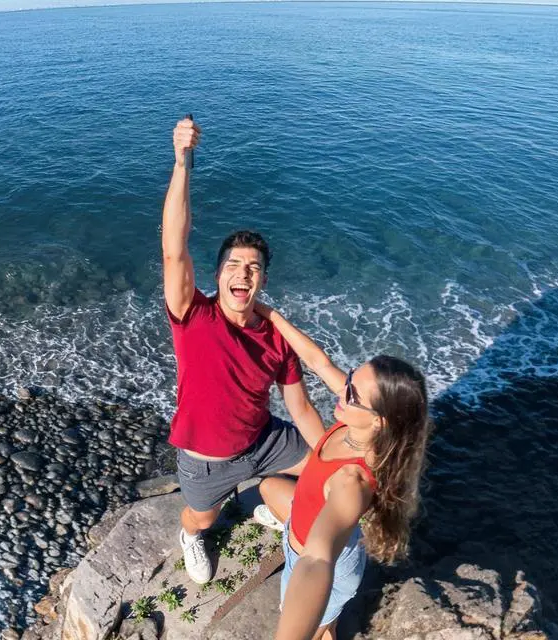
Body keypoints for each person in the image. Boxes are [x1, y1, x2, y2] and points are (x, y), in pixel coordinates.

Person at [162, 117, 325, 585]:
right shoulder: (193, 315)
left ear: (263, 281)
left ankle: (268, 502)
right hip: (206, 460)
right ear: (218, 276)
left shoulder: (276, 337)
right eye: (233, 264)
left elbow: (300, 407)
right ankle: (190, 536)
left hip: (264, 440)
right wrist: (182, 164)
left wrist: (332, 457)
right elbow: (174, 247)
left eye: (253, 267)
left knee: (328, 474)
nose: (243, 272)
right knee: (202, 518)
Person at [251, 303, 430, 640]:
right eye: (349, 379)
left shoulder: (352, 481)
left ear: (379, 421)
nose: (342, 392)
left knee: (310, 621)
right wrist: (270, 314)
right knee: (269, 487)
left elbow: (317, 561)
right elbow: (318, 361)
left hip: (324, 561)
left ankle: (326, 628)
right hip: (304, 531)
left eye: (352, 394)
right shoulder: (356, 419)